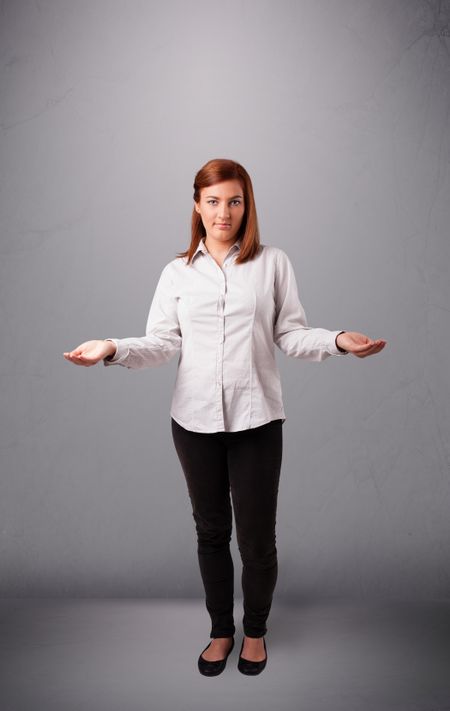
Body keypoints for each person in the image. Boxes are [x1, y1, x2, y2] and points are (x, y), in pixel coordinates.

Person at [63, 158, 386, 677]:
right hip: (193, 424)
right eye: (213, 201)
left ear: (246, 205)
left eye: (234, 201)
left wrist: (338, 341)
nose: (223, 212)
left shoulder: (272, 263)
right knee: (211, 534)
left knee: (257, 539)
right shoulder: (177, 272)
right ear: (197, 205)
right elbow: (162, 343)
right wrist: (110, 348)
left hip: (258, 420)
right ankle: (220, 630)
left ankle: (255, 631)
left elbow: (289, 334)